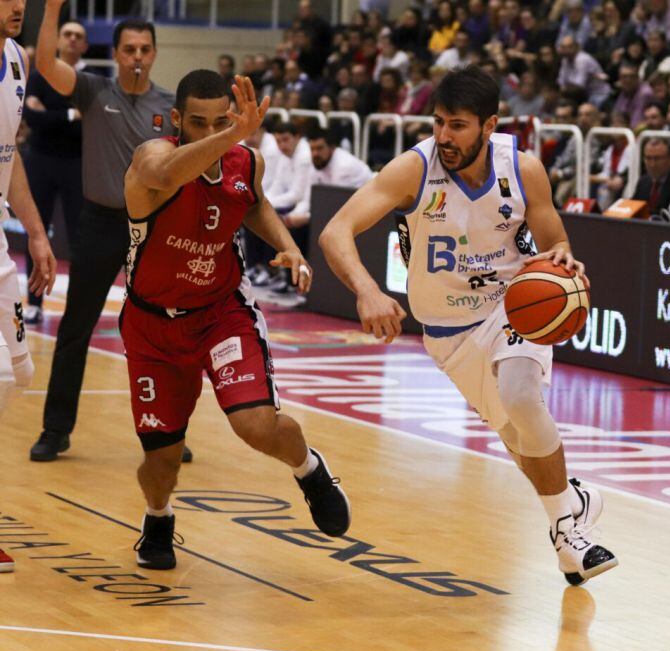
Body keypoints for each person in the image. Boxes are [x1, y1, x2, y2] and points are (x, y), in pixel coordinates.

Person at [318, 66, 616, 585]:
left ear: (490, 124)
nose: (443, 137)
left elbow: (556, 242)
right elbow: (336, 230)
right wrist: (367, 290)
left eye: (457, 125)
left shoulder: (523, 169)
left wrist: (564, 260)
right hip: (447, 331)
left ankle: (568, 535)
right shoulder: (414, 169)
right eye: (437, 123)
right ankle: (573, 503)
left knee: (523, 397)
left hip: (512, 305)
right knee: (523, 446)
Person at [121, 71, 350, 570]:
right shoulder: (151, 158)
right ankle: (158, 518)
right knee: (161, 457)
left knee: (256, 426)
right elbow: (166, 176)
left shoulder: (246, 161)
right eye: (197, 123)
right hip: (152, 326)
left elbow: (255, 204)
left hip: (221, 312)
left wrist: (290, 248)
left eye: (220, 122)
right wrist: (231, 133)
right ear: (177, 120)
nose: (210, 133)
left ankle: (310, 470)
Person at [32, 7, 180, 463]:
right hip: (99, 222)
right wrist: (53, 9)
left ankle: (169, 433)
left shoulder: (169, 106)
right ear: (115, 53)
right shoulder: (94, 91)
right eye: (129, 49)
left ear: (154, 53)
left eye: (145, 49)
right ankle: (55, 430)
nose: (137, 56)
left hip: (152, 228)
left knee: (165, 332)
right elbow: (44, 65)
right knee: (76, 328)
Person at [0, 0, 60, 574]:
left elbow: (7, 153)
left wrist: (37, 234)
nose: (19, 5)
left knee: (17, 374)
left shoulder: (16, 60)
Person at [22, 20, 87, 325]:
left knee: (79, 236)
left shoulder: (91, 80)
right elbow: (32, 118)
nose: (73, 40)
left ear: (85, 45)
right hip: (41, 161)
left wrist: (51, 115)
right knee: (37, 230)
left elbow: (92, 122)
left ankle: (77, 305)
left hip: (77, 163)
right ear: (58, 40)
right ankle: (33, 302)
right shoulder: (38, 76)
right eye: (68, 34)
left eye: (79, 36)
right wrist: (72, 114)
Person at [631, 137, 670, 218]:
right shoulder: (643, 181)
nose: (652, 164)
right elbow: (632, 209)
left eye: (657, 159)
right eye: (648, 158)